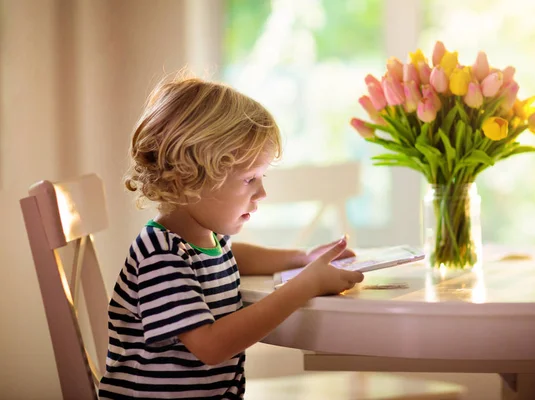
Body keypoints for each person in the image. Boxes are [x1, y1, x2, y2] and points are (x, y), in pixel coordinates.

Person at [98, 75, 364, 399]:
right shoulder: (160, 255)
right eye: (250, 178)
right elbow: (211, 346)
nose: (262, 192)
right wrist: (305, 283)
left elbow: (234, 256)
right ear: (191, 176)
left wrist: (302, 258)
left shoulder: (201, 240)